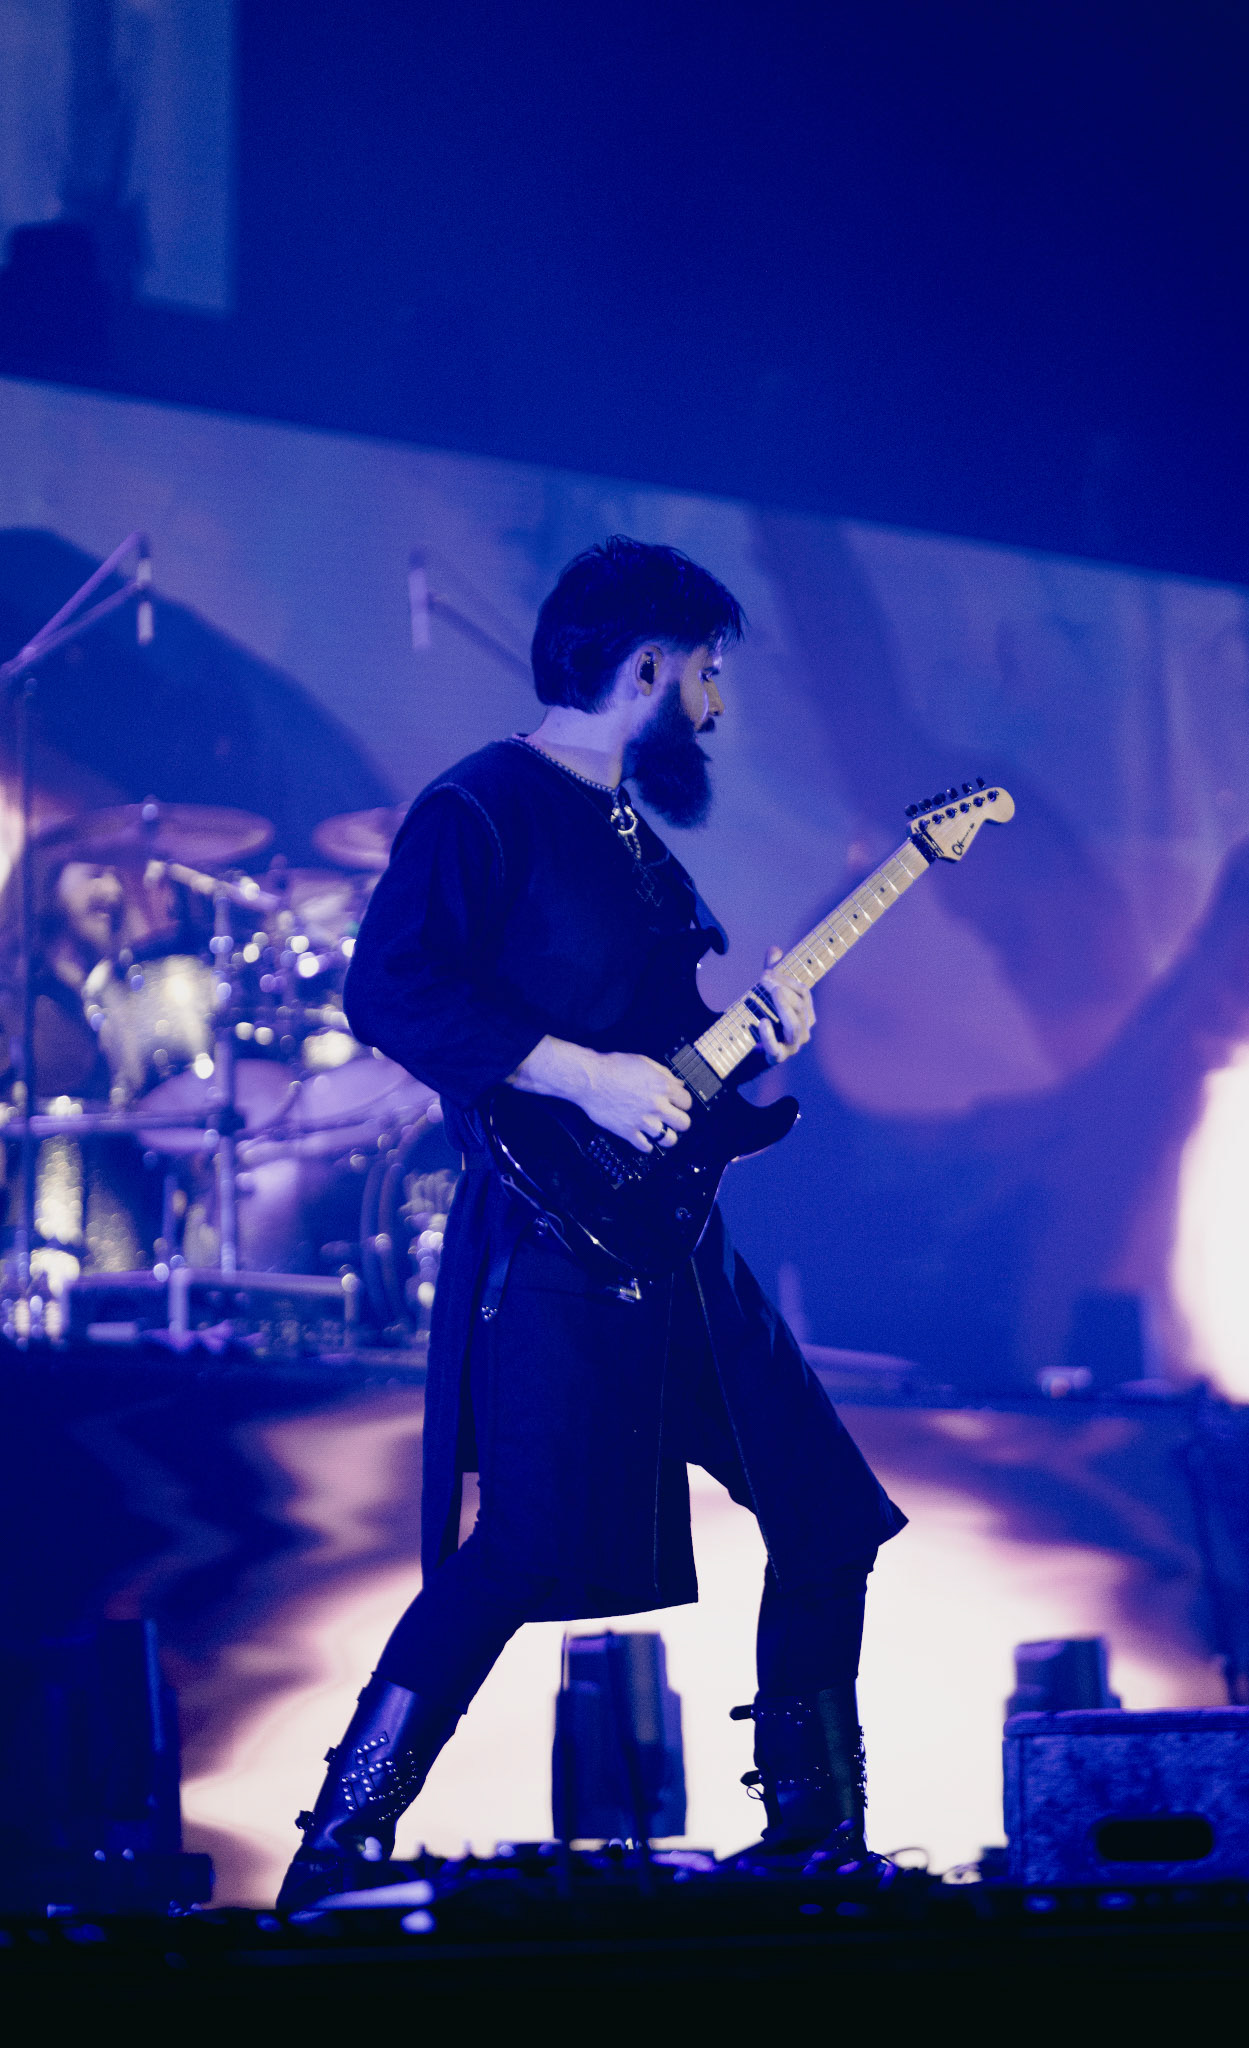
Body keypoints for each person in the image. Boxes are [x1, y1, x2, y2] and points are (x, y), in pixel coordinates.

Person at [278, 538, 906, 1908]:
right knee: (524, 1547)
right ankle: (337, 1844)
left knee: (827, 1519)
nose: (717, 706)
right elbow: (389, 991)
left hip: (679, 1248)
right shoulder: (480, 805)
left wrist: (754, 1043)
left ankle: (813, 1840)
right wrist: (580, 1074)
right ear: (646, 667)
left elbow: (668, 1060)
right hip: (551, 1240)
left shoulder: (635, 840)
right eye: (709, 673)